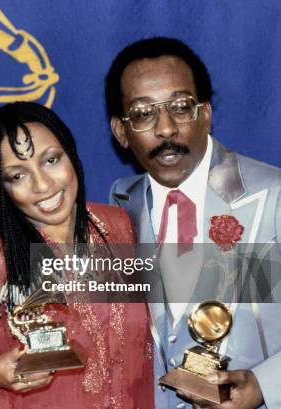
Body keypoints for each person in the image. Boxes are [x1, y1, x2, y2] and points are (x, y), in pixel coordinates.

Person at [107, 37, 281, 409]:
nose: (166, 128)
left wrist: (265, 386)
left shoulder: (274, 196)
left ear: (205, 112)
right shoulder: (118, 207)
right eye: (142, 113)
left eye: (181, 106)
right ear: (121, 132)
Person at [0, 102, 153, 408]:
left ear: (71, 154)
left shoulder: (119, 225)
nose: (42, 185)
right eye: (17, 176)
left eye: (51, 160)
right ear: (0, 188)